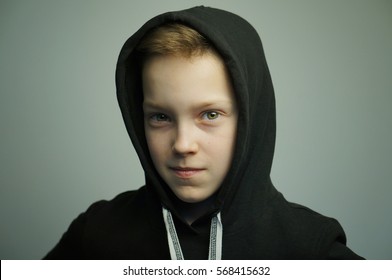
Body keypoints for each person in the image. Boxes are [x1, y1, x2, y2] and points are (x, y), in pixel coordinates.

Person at [44, 6, 363, 259]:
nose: (183, 144)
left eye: (210, 115)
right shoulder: (96, 237)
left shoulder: (310, 251)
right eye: (160, 117)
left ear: (251, 119)